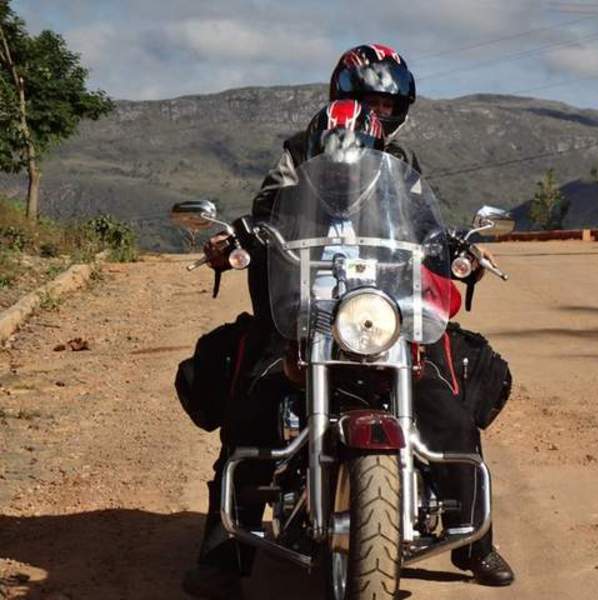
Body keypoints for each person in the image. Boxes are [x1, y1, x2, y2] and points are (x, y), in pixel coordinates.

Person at [186, 45, 514, 599]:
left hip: (384, 313)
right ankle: (223, 553)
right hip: (305, 315)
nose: (379, 113)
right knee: (252, 408)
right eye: (368, 101)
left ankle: (476, 542)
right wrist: (238, 236)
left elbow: (424, 227)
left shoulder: (403, 167)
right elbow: (268, 214)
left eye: (388, 103)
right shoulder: (298, 153)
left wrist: (457, 251)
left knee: (448, 410)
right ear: (341, 99)